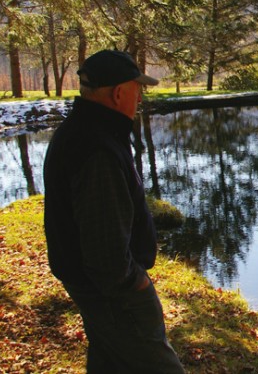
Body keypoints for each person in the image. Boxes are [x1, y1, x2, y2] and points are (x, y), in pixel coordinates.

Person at [43, 50, 185, 373]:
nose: (140, 99)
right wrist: (139, 285)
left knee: (110, 363)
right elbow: (107, 257)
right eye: (137, 90)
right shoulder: (98, 151)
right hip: (116, 297)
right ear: (120, 93)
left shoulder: (80, 133)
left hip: (98, 292)